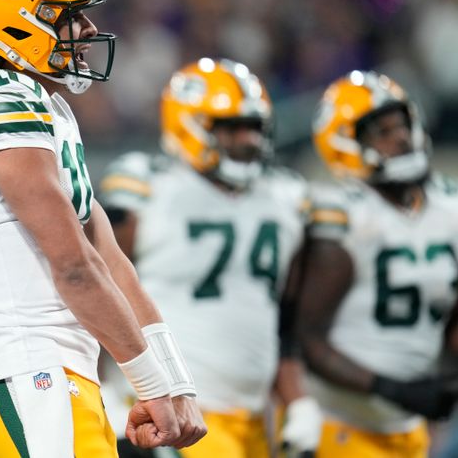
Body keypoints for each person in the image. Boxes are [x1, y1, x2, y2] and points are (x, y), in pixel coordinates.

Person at [0, 0, 206, 457]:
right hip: (27, 372)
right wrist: (150, 384)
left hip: (59, 376)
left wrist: (175, 380)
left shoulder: (47, 107)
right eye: (68, 16)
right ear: (17, 21)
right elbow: (75, 266)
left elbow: (112, 261)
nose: (87, 31)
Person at [99, 58, 321, 458]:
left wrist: (298, 400)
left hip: (255, 418)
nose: (248, 141)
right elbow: (97, 289)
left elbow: (284, 315)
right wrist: (102, 387)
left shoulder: (286, 197)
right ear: (189, 124)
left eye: (254, 128)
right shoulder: (147, 186)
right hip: (174, 414)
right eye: (231, 128)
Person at [299, 70, 458, 457]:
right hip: (339, 427)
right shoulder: (343, 218)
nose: (400, 138)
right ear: (345, 143)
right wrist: (393, 388)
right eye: (382, 132)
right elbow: (308, 343)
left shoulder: (450, 206)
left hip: (408, 431)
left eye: (401, 126)